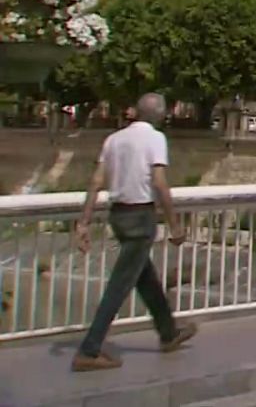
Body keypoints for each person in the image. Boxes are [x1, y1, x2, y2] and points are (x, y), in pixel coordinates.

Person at [72, 93, 197, 372]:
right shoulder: (155, 139)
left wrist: (84, 222)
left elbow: (95, 181)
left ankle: (168, 332)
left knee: (144, 276)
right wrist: (174, 223)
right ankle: (89, 349)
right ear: (159, 115)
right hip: (141, 216)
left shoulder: (114, 140)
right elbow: (160, 183)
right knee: (121, 284)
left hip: (118, 215)